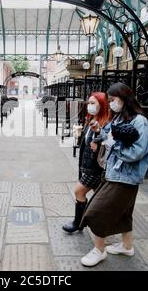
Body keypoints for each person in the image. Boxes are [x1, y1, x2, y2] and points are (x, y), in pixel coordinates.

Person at [79, 83, 148, 267]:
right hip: (113, 173)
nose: (111, 103)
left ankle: (99, 250)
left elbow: (136, 153)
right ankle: (127, 247)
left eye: (113, 100)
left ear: (123, 98)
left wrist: (113, 144)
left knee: (96, 212)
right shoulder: (120, 118)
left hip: (125, 177)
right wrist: (99, 131)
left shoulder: (140, 122)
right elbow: (108, 134)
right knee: (124, 214)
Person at [62, 92, 110, 233]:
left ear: (102, 105)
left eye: (93, 103)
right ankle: (106, 222)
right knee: (100, 198)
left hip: (95, 168)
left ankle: (79, 223)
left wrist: (96, 139)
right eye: (89, 103)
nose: (89, 106)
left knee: (78, 191)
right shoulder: (91, 119)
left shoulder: (105, 123)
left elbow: (105, 138)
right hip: (88, 165)